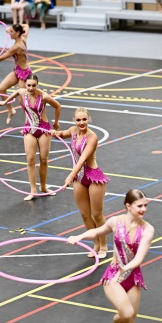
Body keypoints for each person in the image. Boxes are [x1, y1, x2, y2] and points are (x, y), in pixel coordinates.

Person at [68, 189, 154, 323]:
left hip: (133, 277)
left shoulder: (148, 229)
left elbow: (139, 258)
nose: (143, 209)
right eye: (139, 206)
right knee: (127, 314)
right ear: (128, 206)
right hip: (114, 276)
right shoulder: (116, 222)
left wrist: (127, 267)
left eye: (145, 205)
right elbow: (98, 231)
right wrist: (80, 236)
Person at [51, 108, 110, 258]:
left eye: (84, 119)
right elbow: (62, 134)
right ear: (74, 120)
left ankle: (104, 246)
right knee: (85, 214)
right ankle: (95, 244)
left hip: (93, 177)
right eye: (78, 120)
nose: (81, 122)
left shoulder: (92, 137)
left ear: (88, 119)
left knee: (97, 215)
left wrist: (70, 176)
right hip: (80, 178)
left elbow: (83, 159)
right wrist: (55, 133)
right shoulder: (73, 130)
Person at [0, 74, 61, 201]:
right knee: (30, 160)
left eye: (34, 85)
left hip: (43, 129)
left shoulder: (44, 96)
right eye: (29, 85)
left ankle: (43, 187)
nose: (31, 88)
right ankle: (33, 190)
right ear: (25, 85)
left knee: (43, 159)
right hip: (29, 128)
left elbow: (58, 106)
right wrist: (5, 102)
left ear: (37, 85)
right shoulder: (23, 92)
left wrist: (56, 122)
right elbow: (16, 92)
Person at [0, 24, 32, 123]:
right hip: (17, 70)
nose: (9, 34)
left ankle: (28, 124)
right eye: (9, 31)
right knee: (1, 88)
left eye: (11, 32)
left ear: (17, 33)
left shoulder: (17, 47)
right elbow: (26, 25)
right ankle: (11, 110)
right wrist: (10, 28)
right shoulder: (23, 36)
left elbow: (1, 58)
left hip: (24, 74)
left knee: (22, 101)